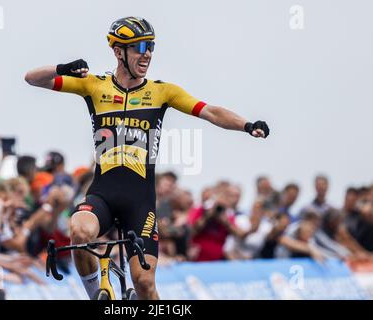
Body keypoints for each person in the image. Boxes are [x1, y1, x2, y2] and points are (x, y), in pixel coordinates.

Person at [25, 16, 270, 300]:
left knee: (144, 284)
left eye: (151, 46)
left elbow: (211, 111)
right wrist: (62, 68)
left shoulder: (162, 91)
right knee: (79, 231)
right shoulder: (93, 85)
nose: (148, 53)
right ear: (119, 52)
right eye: (140, 46)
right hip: (102, 194)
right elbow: (31, 78)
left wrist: (247, 125)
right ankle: (99, 297)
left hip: (139, 203)